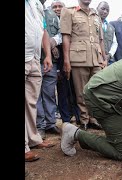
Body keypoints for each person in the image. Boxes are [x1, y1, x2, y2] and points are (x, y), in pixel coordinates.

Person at [60, 0, 108, 131]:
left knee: (96, 90)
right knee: (81, 91)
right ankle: (84, 119)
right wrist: (66, 60)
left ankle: (94, 118)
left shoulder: (96, 14)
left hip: (96, 58)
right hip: (78, 57)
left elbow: (101, 40)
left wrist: (104, 59)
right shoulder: (69, 11)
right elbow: (66, 36)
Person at [25, 0, 54, 162]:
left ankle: (32, 139)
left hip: (34, 58)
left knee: (30, 102)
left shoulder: (37, 4)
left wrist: (47, 55)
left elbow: (42, 30)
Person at [36, 0, 62, 140]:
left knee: (49, 93)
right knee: (36, 96)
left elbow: (61, 33)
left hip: (50, 61)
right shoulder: (31, 10)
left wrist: (53, 41)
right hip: (34, 60)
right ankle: (39, 126)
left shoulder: (52, 14)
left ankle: (50, 123)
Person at [97, 1, 118, 65]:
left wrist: (109, 55)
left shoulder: (111, 27)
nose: (105, 12)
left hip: (108, 61)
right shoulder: (92, 23)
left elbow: (115, 43)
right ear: (97, 8)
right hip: (95, 59)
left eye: (107, 10)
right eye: (103, 9)